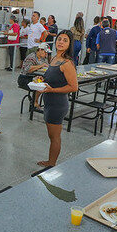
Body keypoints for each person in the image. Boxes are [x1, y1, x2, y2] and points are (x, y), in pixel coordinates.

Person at [38, 31, 78, 167]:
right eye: (59, 39)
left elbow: (73, 87)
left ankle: (51, 164)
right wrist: (42, 80)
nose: (61, 42)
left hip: (57, 105)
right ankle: (50, 161)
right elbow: (53, 78)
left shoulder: (67, 63)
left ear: (69, 44)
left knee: (54, 137)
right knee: (51, 136)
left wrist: (52, 90)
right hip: (49, 102)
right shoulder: (54, 58)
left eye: (65, 40)